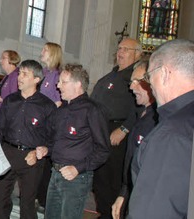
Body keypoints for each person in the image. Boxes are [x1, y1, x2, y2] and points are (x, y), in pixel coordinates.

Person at [128, 39, 194, 218]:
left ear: (164, 73)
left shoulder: (172, 135)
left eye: (149, 77)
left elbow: (152, 211)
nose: (149, 85)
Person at [0, 60, 56, 219]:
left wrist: (40, 152)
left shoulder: (47, 106)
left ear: (36, 79)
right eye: (19, 73)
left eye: (25, 74)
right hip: (7, 153)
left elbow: (53, 138)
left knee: (27, 205)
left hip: (31, 158)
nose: (19, 77)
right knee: (0, 201)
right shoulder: (9, 100)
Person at [45, 64, 110, 219]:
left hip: (76, 178)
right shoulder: (61, 110)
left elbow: (103, 150)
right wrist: (45, 149)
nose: (58, 85)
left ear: (78, 84)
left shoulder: (92, 110)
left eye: (63, 82)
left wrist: (77, 168)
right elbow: (52, 140)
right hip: (55, 173)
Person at [90, 38, 142, 218]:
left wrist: (125, 129)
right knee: (100, 178)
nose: (120, 52)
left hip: (118, 133)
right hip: (100, 132)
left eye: (125, 49)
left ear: (137, 54)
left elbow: (141, 106)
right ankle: (104, 213)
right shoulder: (109, 76)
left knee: (115, 179)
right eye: (119, 48)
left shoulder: (137, 77)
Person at [110, 61, 157, 219]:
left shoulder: (161, 120)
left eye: (137, 81)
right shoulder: (140, 112)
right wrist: (124, 193)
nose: (131, 87)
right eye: (131, 82)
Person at [36, 42, 63, 212]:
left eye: (45, 50)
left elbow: (59, 102)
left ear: (53, 53)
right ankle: (36, 194)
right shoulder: (44, 73)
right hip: (38, 122)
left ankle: (44, 198)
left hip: (48, 123)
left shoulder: (56, 75)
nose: (42, 51)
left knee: (45, 163)